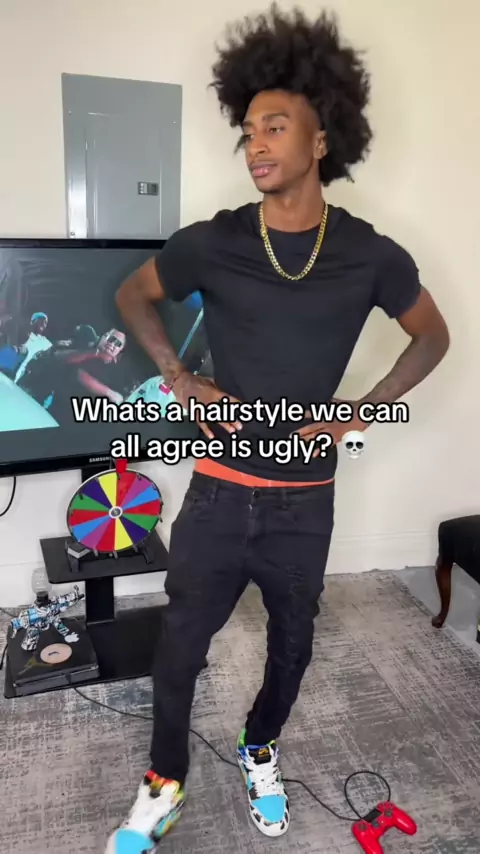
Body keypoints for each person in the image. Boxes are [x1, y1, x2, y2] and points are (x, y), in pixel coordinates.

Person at [105, 6, 450, 851]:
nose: (255, 145)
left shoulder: (369, 254)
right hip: (220, 495)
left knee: (294, 646)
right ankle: (164, 782)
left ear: (321, 139)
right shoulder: (214, 242)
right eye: (248, 131)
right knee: (179, 647)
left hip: (304, 503)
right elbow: (132, 294)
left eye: (275, 126)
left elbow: (433, 335)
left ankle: (259, 746)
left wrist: (360, 410)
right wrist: (180, 379)